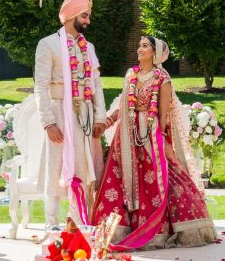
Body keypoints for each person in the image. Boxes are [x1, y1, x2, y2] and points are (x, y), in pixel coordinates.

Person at [91, 36, 217, 250]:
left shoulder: (163, 79)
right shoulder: (131, 74)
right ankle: (119, 228)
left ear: (155, 53)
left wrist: (154, 140)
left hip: (150, 134)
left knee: (160, 178)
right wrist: (109, 121)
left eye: (144, 46)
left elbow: (163, 114)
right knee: (118, 179)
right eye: (139, 45)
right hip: (127, 136)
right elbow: (124, 105)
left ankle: (155, 229)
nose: (139, 49)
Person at [34, 0, 107, 229]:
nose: (87, 21)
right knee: (56, 165)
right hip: (59, 113)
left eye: (87, 16)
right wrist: (48, 122)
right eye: (84, 16)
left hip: (84, 115)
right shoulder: (48, 44)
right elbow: (41, 86)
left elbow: (96, 84)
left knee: (85, 167)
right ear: (71, 16)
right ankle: (52, 224)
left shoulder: (89, 47)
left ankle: (80, 221)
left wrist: (100, 117)